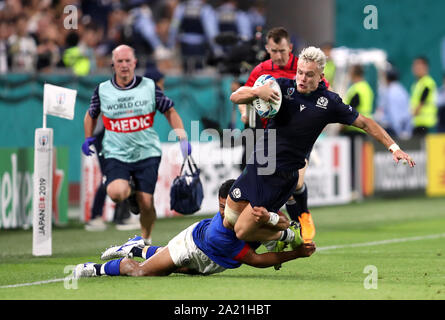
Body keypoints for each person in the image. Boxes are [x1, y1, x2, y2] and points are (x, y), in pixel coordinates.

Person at [227, 46, 415, 246]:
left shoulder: (329, 103)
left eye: (309, 75)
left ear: (320, 77)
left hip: (280, 177)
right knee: (229, 221)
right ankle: (281, 225)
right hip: (258, 166)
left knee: (241, 231)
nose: (302, 78)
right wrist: (257, 91)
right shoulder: (280, 87)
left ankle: (288, 235)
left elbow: (366, 123)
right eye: (300, 72)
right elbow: (235, 96)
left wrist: (394, 148)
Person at [73, 179, 316, 279]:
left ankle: (137, 247)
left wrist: (284, 237)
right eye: (221, 207)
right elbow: (256, 259)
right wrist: (296, 253)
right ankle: (94, 269)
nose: (224, 213)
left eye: (229, 208)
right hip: (193, 248)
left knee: (172, 267)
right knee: (140, 273)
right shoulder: (223, 233)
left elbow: (275, 231)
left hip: (210, 255)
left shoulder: (254, 212)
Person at [82, 44, 191, 245]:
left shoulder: (150, 87)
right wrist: (88, 138)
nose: (124, 65)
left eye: (127, 61)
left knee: (147, 203)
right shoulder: (103, 90)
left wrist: (182, 137)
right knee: (116, 193)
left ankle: (146, 240)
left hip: (146, 152)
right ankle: (130, 192)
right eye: (119, 61)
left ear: (135, 63)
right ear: (113, 64)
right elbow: (91, 115)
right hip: (115, 152)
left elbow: (170, 111)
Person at [238, 27, 316, 243]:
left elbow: (322, 92)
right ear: (267, 49)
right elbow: (244, 94)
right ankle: (288, 228)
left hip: (298, 136)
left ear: (290, 48)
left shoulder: (303, 68)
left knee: (297, 184)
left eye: (282, 50)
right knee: (278, 188)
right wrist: (245, 113)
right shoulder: (261, 71)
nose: (279, 56)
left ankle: (304, 215)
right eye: (274, 51)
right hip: (270, 137)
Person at [375, 68, 412, 139]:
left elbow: (394, 113)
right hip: (403, 128)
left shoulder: (390, 92)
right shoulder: (402, 90)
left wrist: (398, 131)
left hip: (394, 130)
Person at [410, 56, 438, 136]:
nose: (415, 68)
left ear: (425, 67)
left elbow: (421, 101)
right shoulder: (416, 84)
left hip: (427, 124)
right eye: (414, 66)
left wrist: (414, 112)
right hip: (418, 123)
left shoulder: (428, 82)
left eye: (418, 66)